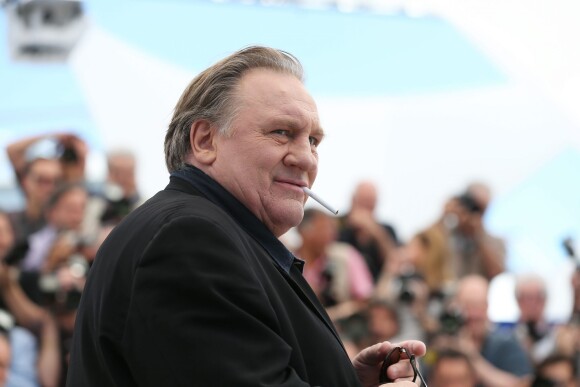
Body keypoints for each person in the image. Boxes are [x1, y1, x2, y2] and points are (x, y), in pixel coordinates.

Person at [67, 46, 425, 386]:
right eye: (282, 132)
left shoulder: (207, 232)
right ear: (206, 141)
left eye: (314, 141)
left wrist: (342, 379)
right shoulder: (188, 239)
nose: (306, 158)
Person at [295, 208, 374, 322]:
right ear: (304, 232)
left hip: (341, 330)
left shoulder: (346, 256)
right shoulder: (286, 259)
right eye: (324, 228)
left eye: (332, 229)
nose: (332, 234)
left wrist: (336, 313)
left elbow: (366, 300)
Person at [339, 180, 400, 282]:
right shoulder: (338, 224)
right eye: (363, 201)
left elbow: (395, 260)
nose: (367, 207)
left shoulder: (386, 230)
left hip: (378, 287)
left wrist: (376, 232)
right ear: (353, 200)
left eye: (371, 202)